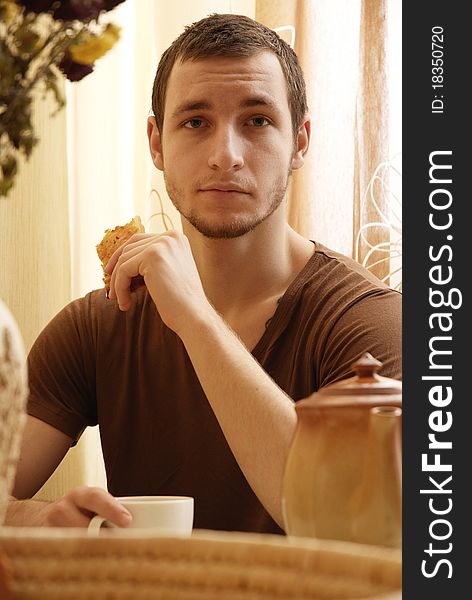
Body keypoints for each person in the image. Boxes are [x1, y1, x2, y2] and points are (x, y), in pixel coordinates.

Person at [6, 13, 401, 534]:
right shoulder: (96, 326)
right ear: (156, 143)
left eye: (257, 120)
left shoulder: (372, 326)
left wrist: (194, 317)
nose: (225, 156)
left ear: (300, 142)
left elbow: (345, 526)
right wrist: (42, 522)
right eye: (195, 122)